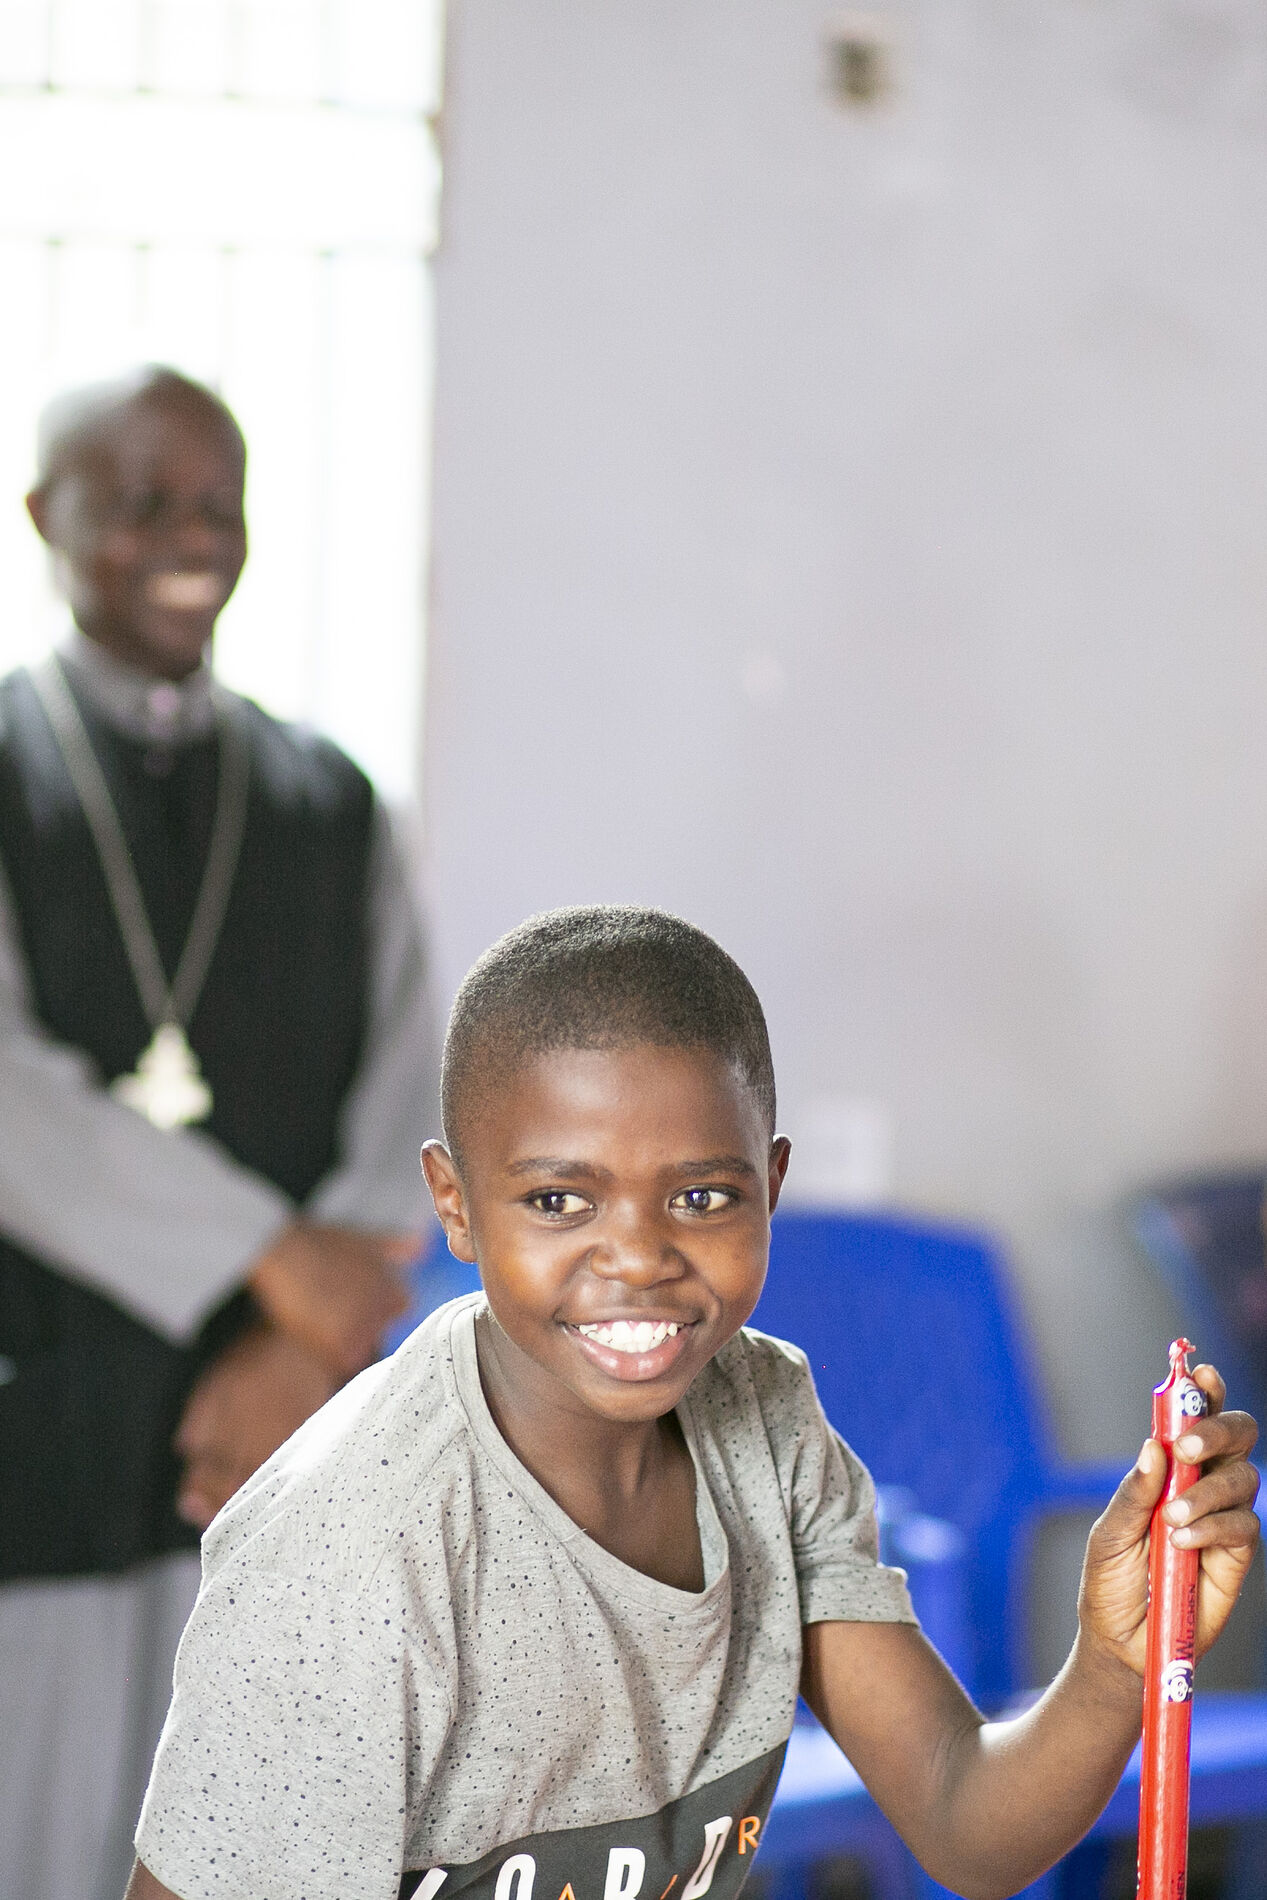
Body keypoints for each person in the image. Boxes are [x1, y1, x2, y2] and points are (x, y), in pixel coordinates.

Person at [123, 906, 1261, 1900]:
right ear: (454, 1204)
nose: (637, 1257)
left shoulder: (765, 1418)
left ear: (770, 1185)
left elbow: (964, 1822)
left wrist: (1115, 1661)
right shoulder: (355, 1551)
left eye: (702, 1196)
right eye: (559, 1200)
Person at [0, 366, 439, 1900]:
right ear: (46, 515)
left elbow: (406, 1079)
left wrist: (304, 1340)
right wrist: (271, 1258)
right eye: (142, 505)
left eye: (217, 506)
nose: (191, 540)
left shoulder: (329, 796)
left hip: (279, 1437)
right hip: (42, 1430)